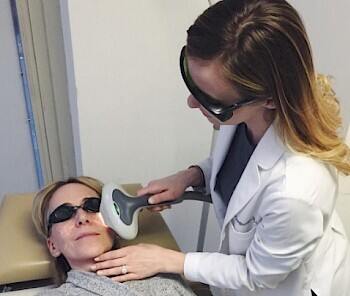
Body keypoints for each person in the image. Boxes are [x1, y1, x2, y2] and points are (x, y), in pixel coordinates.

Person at [92, 1, 350, 296]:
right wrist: (190, 177)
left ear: (270, 98)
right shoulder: (244, 115)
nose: (191, 103)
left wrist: (170, 260)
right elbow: (240, 167)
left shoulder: (296, 191)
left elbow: (256, 275)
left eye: (209, 99)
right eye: (191, 83)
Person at [31, 176, 196, 296]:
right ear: (53, 245)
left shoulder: (164, 277)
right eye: (63, 213)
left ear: (115, 224)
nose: (82, 218)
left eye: (92, 205)